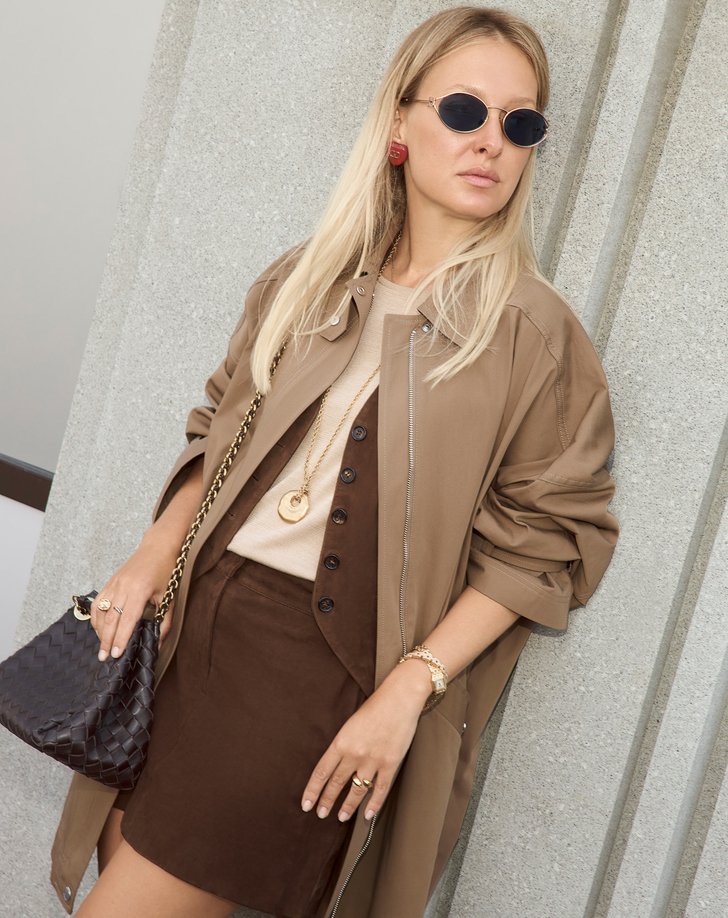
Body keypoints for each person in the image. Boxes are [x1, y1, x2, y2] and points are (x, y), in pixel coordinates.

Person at [50, 6, 620, 918]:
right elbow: (216, 428)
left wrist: (408, 691)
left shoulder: (533, 336)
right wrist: (149, 559)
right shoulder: (306, 278)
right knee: (121, 863)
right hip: (190, 636)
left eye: (521, 124)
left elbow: (545, 546)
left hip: (313, 677)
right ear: (400, 121)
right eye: (464, 111)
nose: (492, 142)